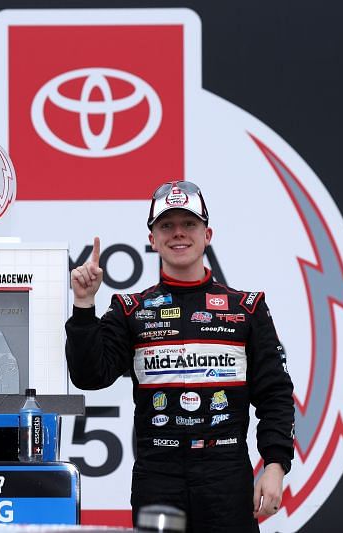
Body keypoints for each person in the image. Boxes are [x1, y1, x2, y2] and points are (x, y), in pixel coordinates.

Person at [65, 180, 294, 532]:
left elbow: (276, 395)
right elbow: (89, 376)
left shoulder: (247, 309)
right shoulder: (131, 309)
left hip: (226, 474)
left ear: (208, 234)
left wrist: (275, 465)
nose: (178, 233)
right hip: (158, 476)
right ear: (152, 239)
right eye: (166, 225)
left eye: (189, 224)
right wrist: (83, 305)